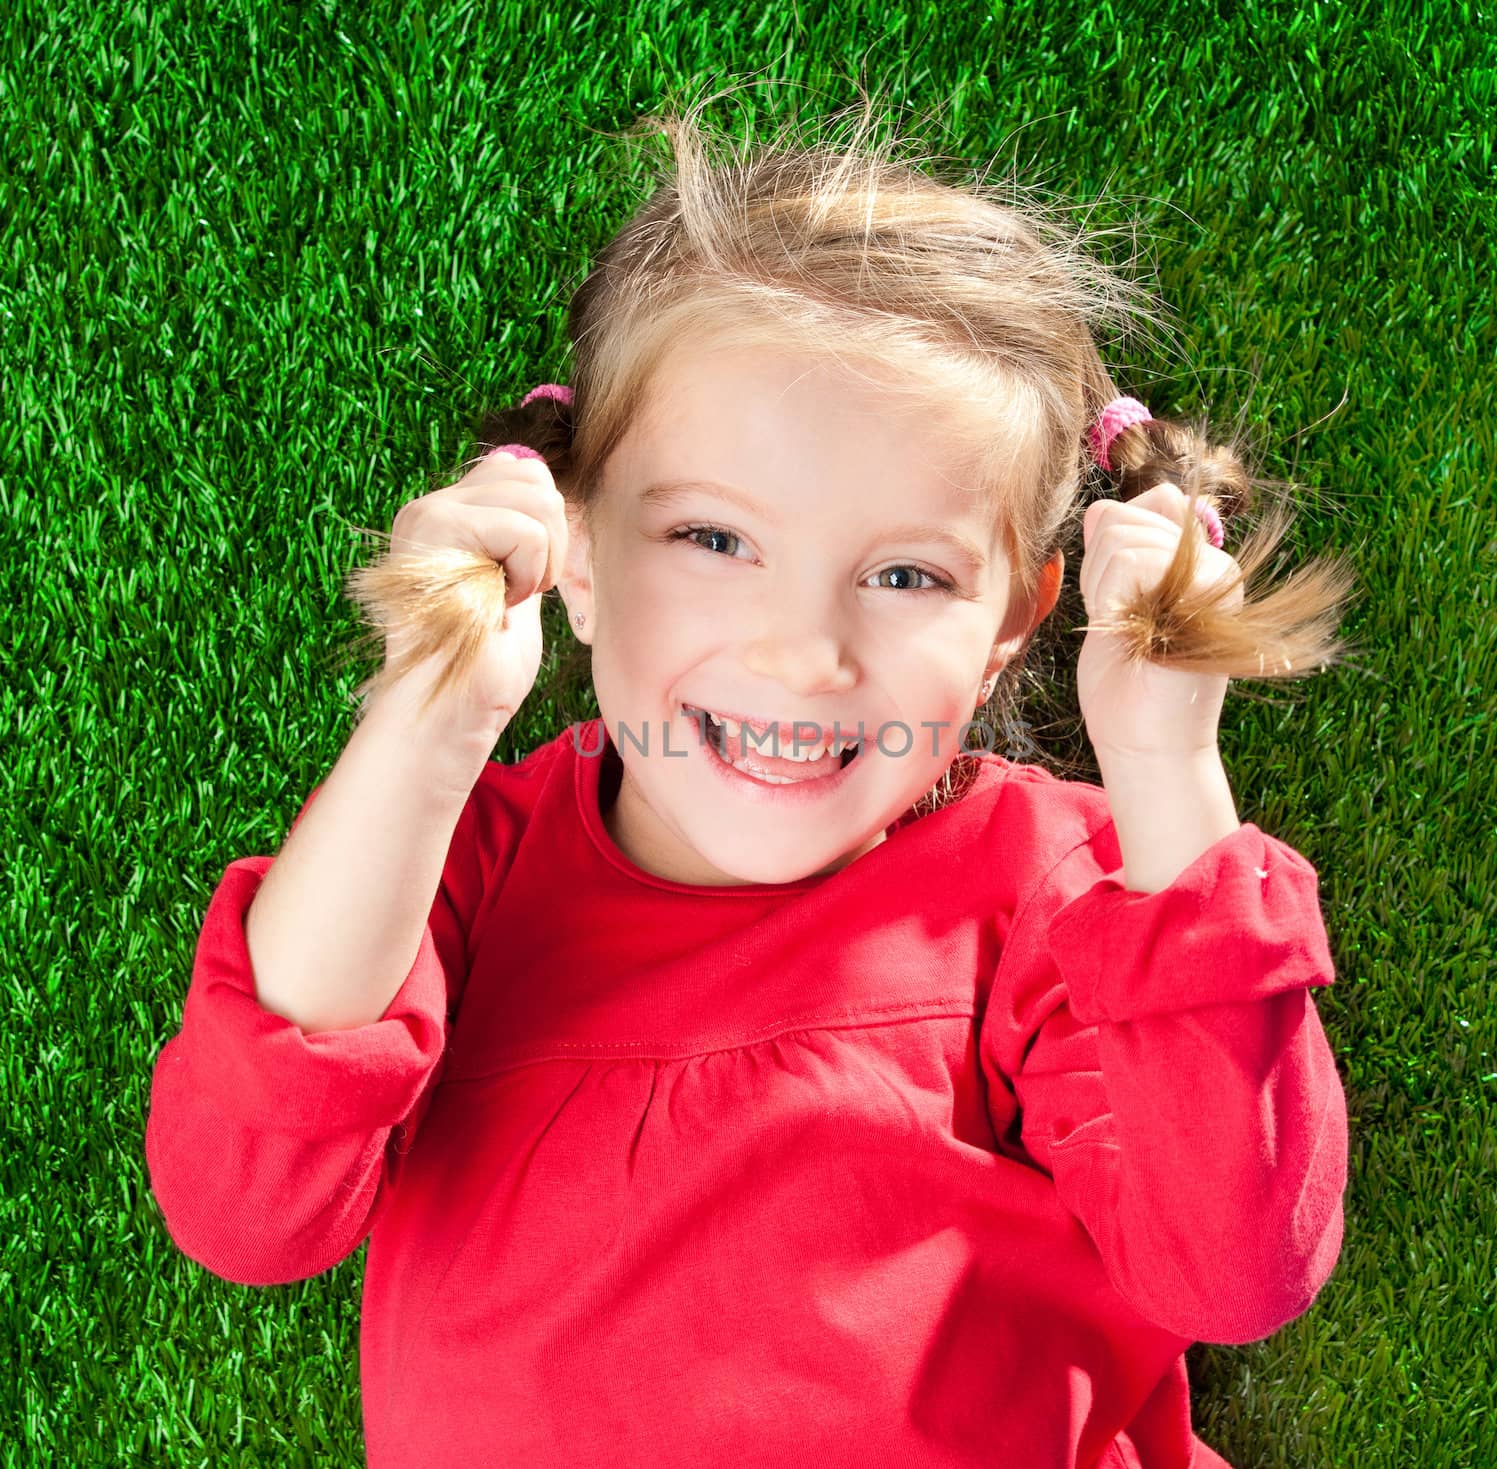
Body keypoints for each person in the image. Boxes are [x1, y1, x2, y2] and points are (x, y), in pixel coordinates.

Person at [144, 91, 1357, 1468]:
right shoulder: (460, 868)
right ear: (580, 553)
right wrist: (425, 727)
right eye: (714, 538)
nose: (805, 651)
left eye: (907, 575)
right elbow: (245, 1208)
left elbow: (1236, 1265)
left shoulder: (1061, 885)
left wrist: (1164, 763)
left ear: (1018, 616)